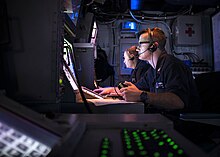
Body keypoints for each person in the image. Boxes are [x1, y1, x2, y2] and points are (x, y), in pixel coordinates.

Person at [120, 27, 201, 113]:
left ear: (153, 46)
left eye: (141, 44)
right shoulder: (152, 70)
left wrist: (142, 96)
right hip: (160, 118)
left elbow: (178, 102)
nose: (137, 49)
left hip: (177, 122)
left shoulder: (172, 66)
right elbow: (137, 88)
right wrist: (117, 90)